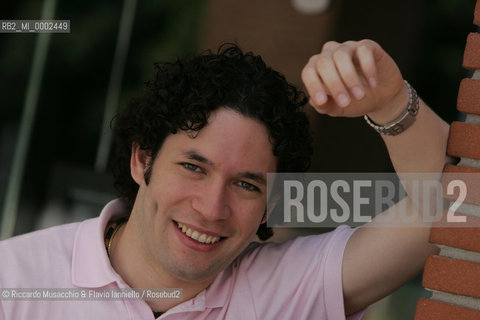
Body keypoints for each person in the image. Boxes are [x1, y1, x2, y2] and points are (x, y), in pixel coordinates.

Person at [0, 39, 449, 319]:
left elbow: (455, 210)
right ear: (142, 160)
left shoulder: (288, 289)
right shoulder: (14, 281)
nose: (212, 207)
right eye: (194, 167)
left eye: (246, 184)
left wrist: (391, 102)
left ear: (270, 206)